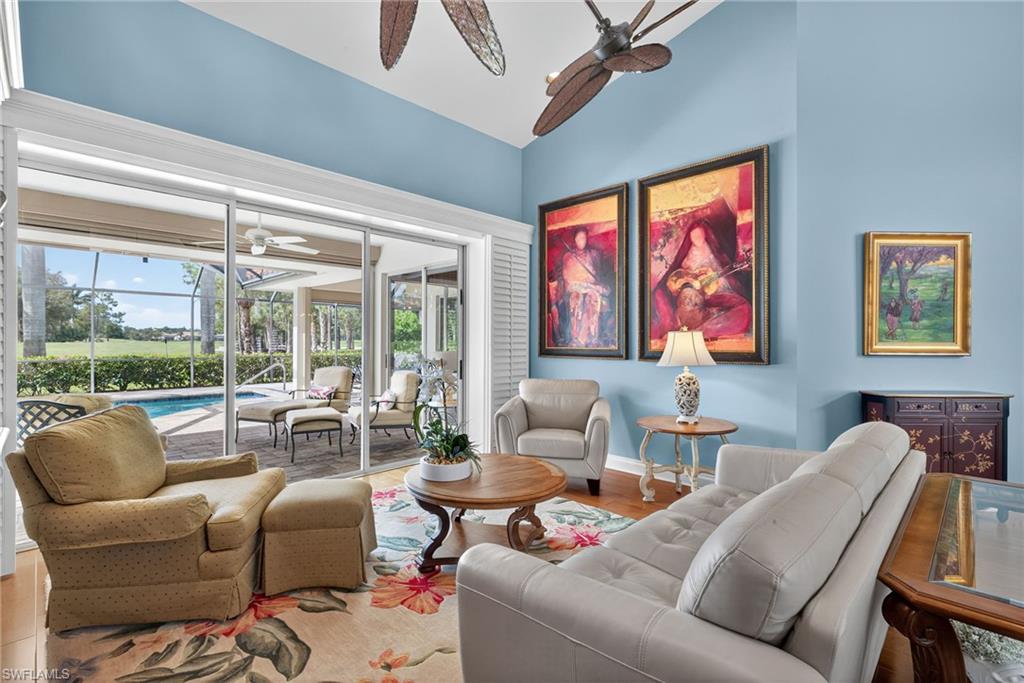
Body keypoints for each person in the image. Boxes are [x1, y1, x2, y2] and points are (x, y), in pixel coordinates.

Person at [560, 227, 609, 347]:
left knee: (592, 298)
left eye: (584, 238)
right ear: (575, 239)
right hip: (575, 289)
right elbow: (568, 278)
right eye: (579, 238)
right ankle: (576, 338)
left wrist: (591, 286)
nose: (582, 240)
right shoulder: (568, 257)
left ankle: (592, 337)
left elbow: (598, 274)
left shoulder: (594, 254)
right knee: (576, 298)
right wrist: (578, 287)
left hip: (591, 288)